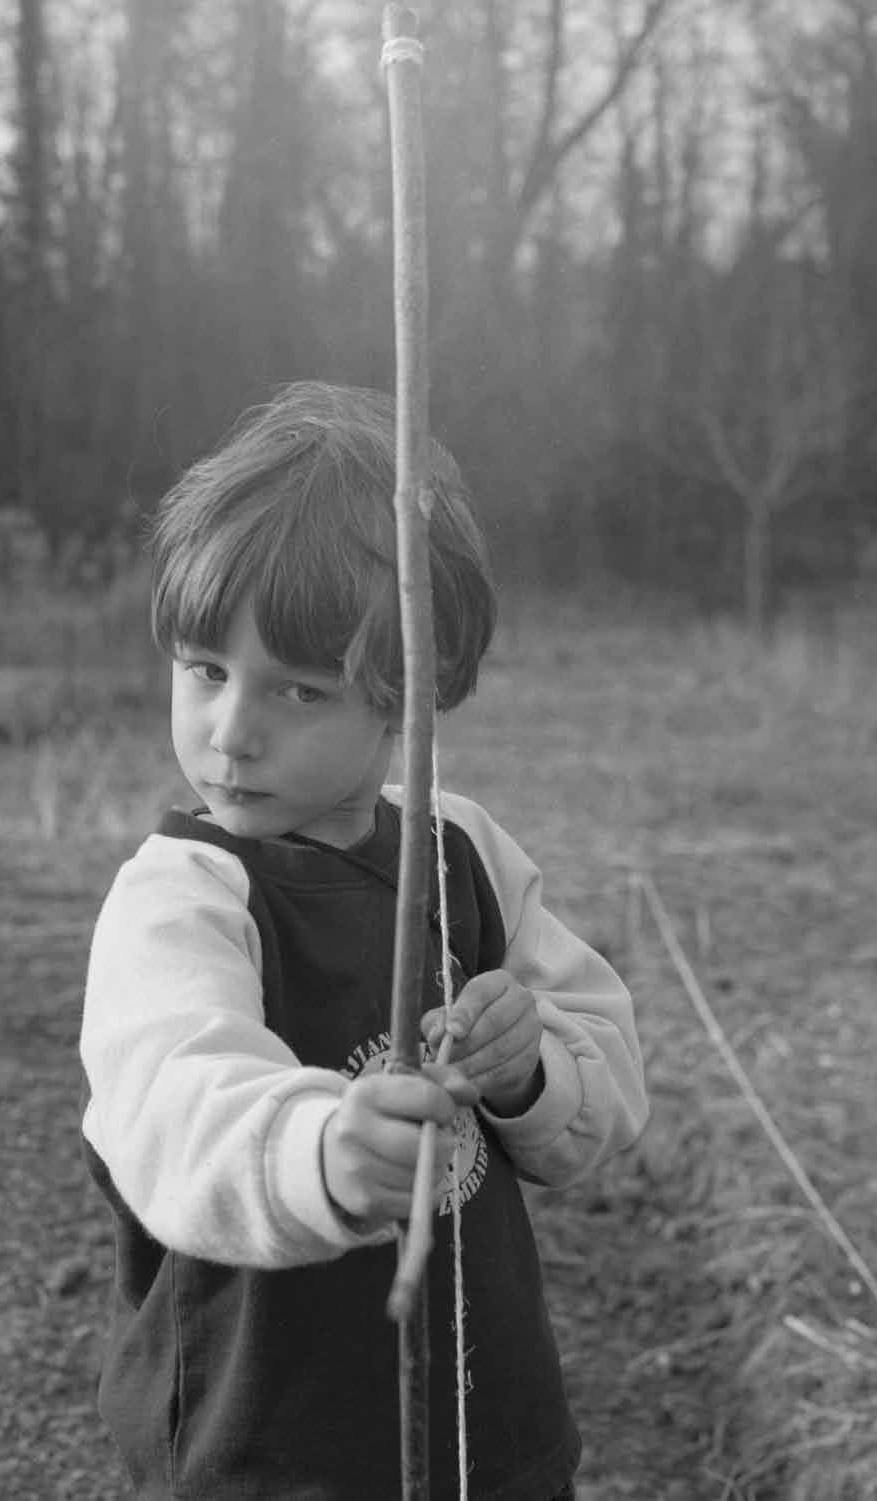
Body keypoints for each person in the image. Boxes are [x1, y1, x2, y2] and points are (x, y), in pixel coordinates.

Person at [79, 381, 649, 1501]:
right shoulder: (184, 897)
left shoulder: (462, 851)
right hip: (268, 1454)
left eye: (296, 687)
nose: (230, 732)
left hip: (494, 1445)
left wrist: (529, 1066)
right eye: (204, 670)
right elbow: (169, 1099)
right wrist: (323, 1149)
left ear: (411, 696)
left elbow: (609, 1092)